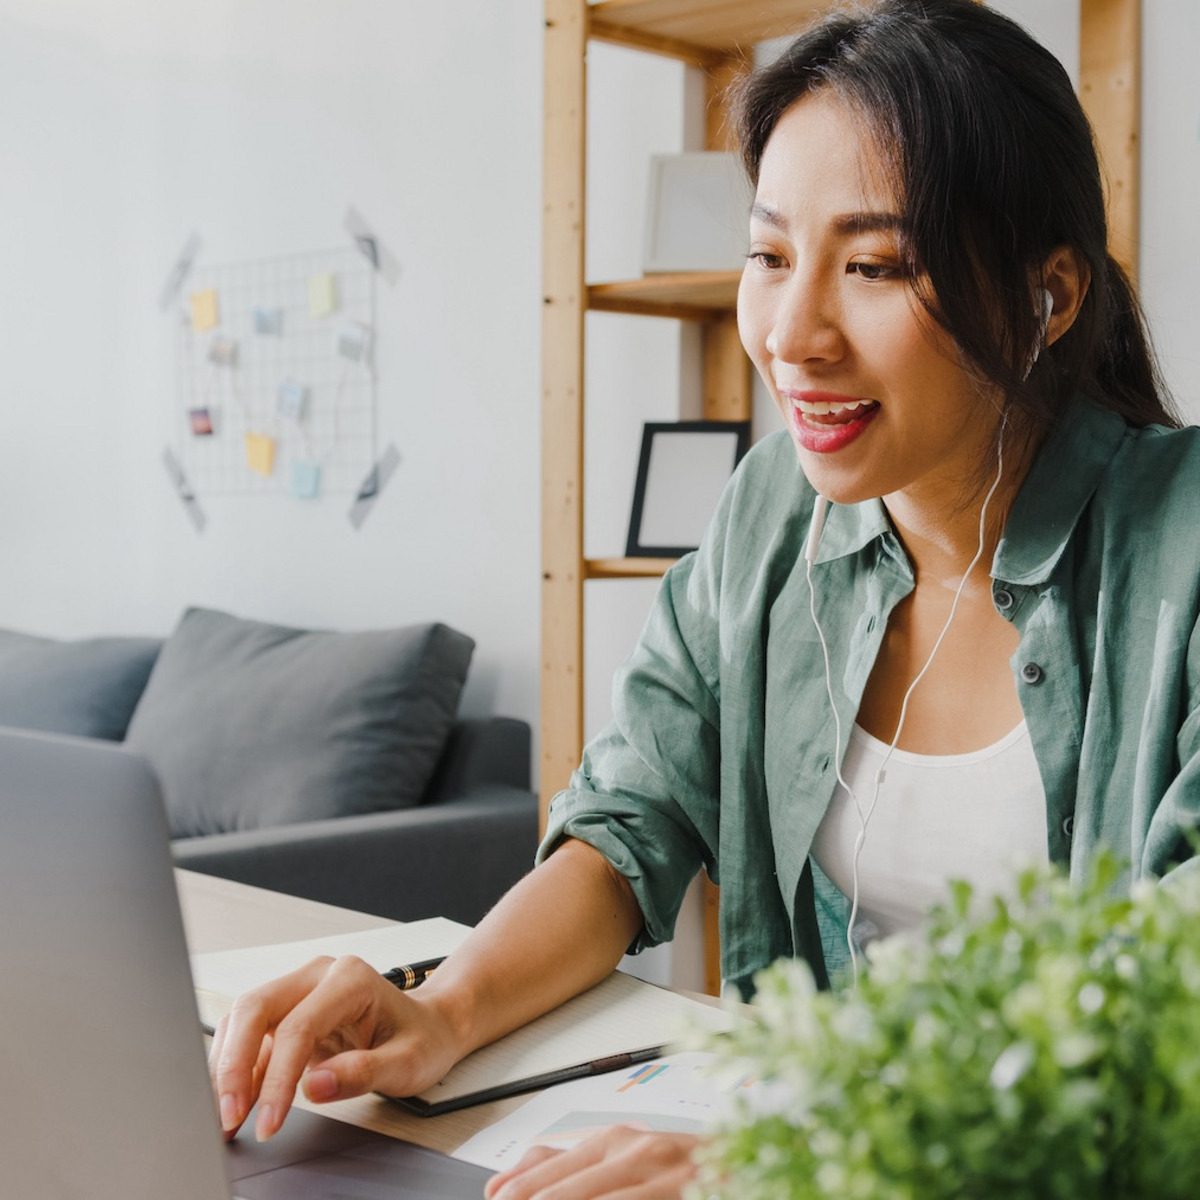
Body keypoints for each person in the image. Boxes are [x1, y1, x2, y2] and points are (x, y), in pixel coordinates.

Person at [209, 1, 1200, 1195]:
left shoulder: (1179, 550)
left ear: (1050, 295)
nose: (790, 333)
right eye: (772, 254)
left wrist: (812, 1150)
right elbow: (630, 819)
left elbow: (1168, 1004)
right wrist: (445, 1007)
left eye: (876, 265)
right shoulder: (771, 513)